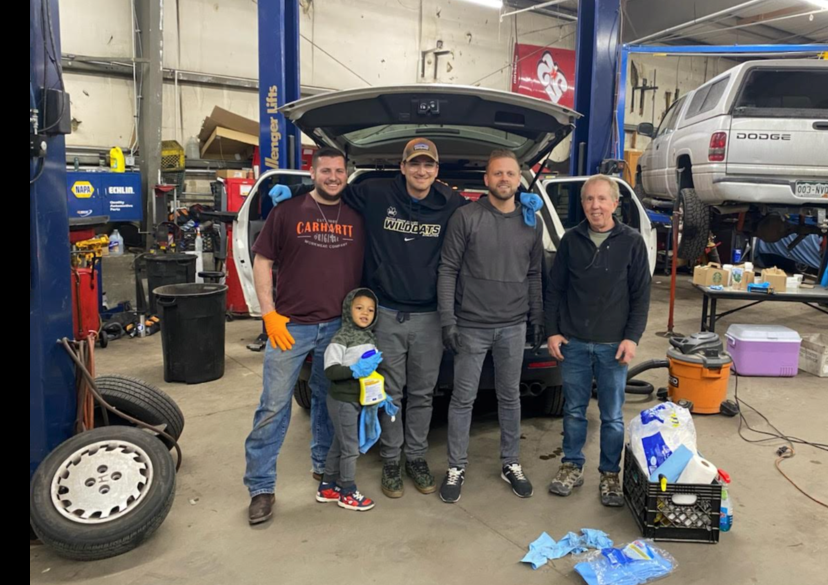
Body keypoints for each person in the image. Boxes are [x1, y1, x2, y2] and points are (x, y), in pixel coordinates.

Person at [269, 138, 465, 499]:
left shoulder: (450, 202)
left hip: (429, 318)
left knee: (422, 394)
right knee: (387, 393)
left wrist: (516, 210)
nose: (422, 171)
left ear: (436, 171)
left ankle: (416, 457)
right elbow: (331, 188)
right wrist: (294, 192)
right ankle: (391, 461)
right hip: (386, 315)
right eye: (414, 164)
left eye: (429, 165)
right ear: (402, 167)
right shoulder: (375, 193)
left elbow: (478, 221)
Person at [243, 148, 365, 525]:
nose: (332, 176)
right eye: (325, 170)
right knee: (274, 407)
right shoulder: (287, 213)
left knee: (329, 403)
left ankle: (322, 468)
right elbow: (262, 260)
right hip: (290, 328)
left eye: (339, 171)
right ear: (312, 174)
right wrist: (269, 316)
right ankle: (261, 487)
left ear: (347, 175)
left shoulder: (358, 219)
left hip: (337, 328)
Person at [436, 150, 545, 503]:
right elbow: (447, 270)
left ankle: (510, 462)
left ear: (518, 179)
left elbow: (534, 273)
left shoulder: (531, 221)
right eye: (497, 173)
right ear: (486, 179)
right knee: (463, 398)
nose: (504, 179)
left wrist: (536, 315)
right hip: (471, 325)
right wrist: (448, 320)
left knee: (510, 397)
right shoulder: (465, 217)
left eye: (510, 174)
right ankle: (456, 467)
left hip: (513, 325)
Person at [544, 174, 651, 507]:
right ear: (583, 204)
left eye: (602, 199)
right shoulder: (571, 240)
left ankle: (609, 475)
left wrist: (631, 338)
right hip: (574, 342)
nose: (595, 206)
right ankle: (571, 465)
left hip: (612, 346)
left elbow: (641, 296)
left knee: (612, 416)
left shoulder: (631, 242)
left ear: (615, 204)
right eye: (589, 199)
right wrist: (552, 331)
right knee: (574, 411)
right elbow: (555, 290)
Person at [317, 288, 381, 512]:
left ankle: (327, 486)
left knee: (339, 443)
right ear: (348, 310)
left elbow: (370, 373)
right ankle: (347, 491)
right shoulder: (341, 338)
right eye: (359, 308)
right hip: (342, 401)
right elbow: (331, 371)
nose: (365, 313)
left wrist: (381, 395)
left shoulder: (370, 337)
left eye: (371, 310)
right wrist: (354, 370)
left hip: (358, 400)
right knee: (350, 449)